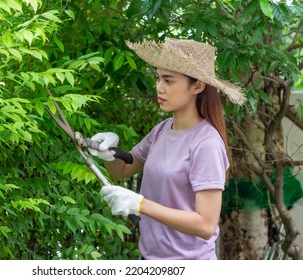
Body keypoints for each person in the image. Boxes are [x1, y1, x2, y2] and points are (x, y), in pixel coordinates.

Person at [89, 38, 246, 260]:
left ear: (198, 86)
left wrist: (140, 204)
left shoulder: (206, 143)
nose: (159, 88)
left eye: (168, 81)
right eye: (158, 78)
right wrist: (108, 153)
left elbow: (205, 225)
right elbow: (122, 170)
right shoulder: (162, 131)